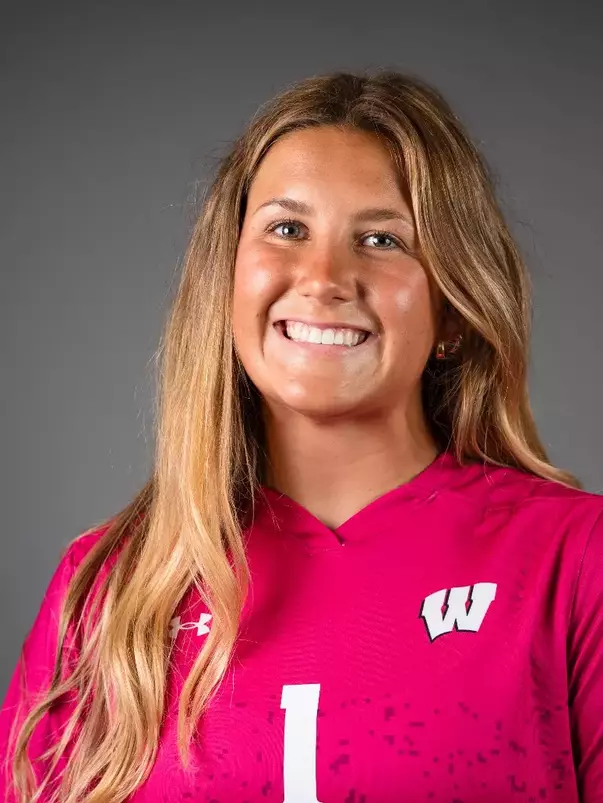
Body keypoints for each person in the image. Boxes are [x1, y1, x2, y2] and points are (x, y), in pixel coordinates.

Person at [1, 70, 602, 803]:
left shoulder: (573, 562)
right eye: (287, 229)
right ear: (226, 278)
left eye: (381, 239)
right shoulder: (108, 586)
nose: (324, 277)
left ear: (451, 310)